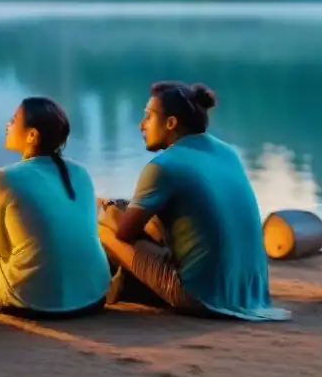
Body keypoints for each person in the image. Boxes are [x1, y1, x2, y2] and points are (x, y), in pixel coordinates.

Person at [97, 81, 290, 321]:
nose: (141, 125)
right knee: (138, 214)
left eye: (148, 116)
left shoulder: (164, 167)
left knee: (103, 230)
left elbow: (125, 233)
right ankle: (130, 284)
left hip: (200, 296)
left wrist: (106, 214)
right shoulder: (226, 152)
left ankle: (88, 289)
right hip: (249, 293)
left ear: (171, 123)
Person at [0, 97, 110, 319]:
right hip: (93, 295)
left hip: (32, 300)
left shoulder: (2, 178)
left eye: (13, 120)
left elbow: (1, 249)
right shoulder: (81, 172)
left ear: (32, 135)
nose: (7, 125)